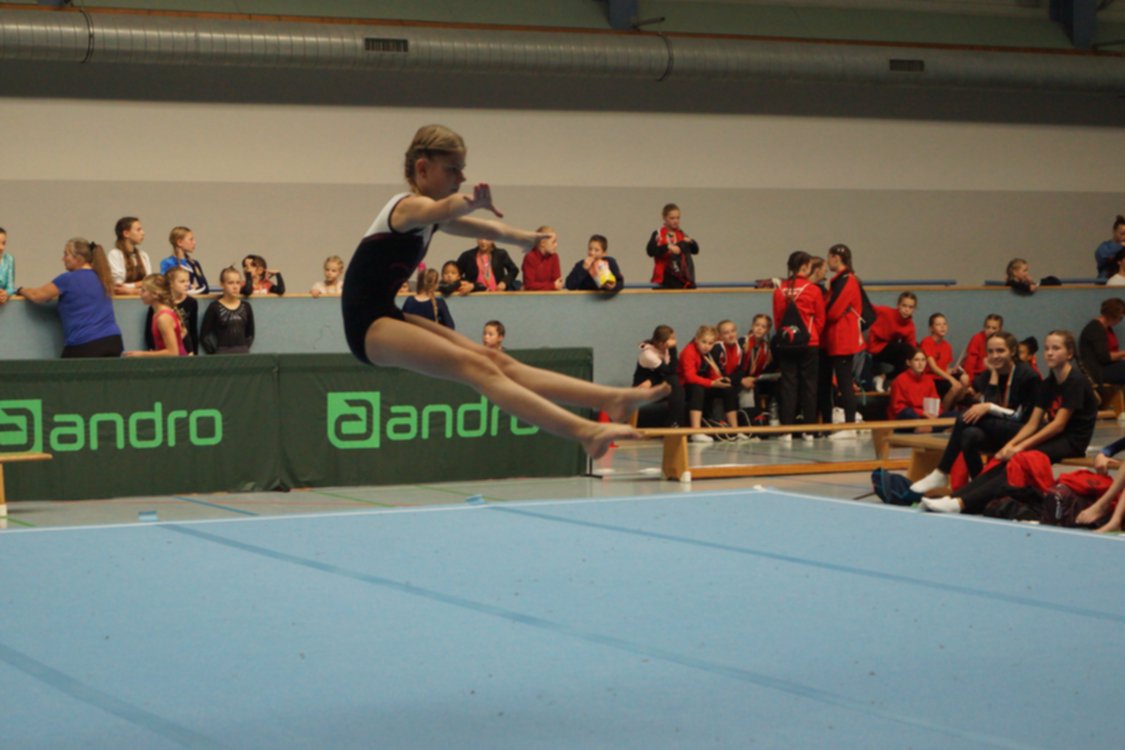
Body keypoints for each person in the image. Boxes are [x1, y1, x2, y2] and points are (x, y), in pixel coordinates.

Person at [340, 124, 662, 459]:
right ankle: (586, 431)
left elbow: (487, 228)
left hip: (386, 313)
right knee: (475, 368)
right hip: (366, 325)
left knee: (493, 359)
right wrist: (470, 202)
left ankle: (609, 398)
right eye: (452, 169)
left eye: (462, 169)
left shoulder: (430, 218)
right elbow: (445, 209)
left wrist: (523, 238)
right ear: (422, 169)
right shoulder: (407, 208)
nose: (461, 177)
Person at [922, 330, 1098, 514]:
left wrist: (1020, 447)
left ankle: (961, 502)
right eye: (1047, 348)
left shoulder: (1075, 381)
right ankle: (955, 499)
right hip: (1054, 436)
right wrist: (1010, 445)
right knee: (1006, 460)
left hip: (1072, 441)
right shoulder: (1048, 383)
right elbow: (1032, 424)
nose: (1049, 353)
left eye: (1056, 348)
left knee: (1019, 461)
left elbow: (1058, 425)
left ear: (1069, 354)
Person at [911, 331, 1042, 492]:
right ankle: (979, 484)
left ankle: (942, 471)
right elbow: (984, 408)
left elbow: (1022, 417)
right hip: (998, 429)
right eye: (990, 351)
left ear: (1013, 351)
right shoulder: (988, 375)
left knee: (963, 418)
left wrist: (989, 407)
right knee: (969, 435)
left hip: (1023, 432)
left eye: (1000, 351)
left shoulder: (1028, 376)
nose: (995, 356)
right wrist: (993, 377)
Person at [17, 237, 123, 357]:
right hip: (113, 341)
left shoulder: (68, 279)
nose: (63, 259)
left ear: (78, 258)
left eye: (66, 254)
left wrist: (19, 290)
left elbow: (37, 295)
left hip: (85, 344)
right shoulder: (103, 278)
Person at [772, 251, 825, 442]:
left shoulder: (779, 290)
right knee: (809, 386)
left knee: (788, 385)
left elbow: (778, 320)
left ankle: (786, 430)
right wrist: (810, 334)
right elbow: (820, 319)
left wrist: (789, 336)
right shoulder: (813, 290)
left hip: (787, 343)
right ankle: (808, 430)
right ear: (805, 266)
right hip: (809, 343)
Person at [819, 244, 865, 439]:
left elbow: (834, 311)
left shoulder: (848, 281)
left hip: (843, 339)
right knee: (835, 383)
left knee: (845, 384)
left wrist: (825, 308)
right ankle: (833, 424)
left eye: (829, 257)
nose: (827, 261)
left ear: (836, 258)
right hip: (835, 338)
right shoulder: (838, 281)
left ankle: (850, 426)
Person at [678, 325, 730, 444]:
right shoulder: (688, 352)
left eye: (710, 343)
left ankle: (734, 428)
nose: (707, 346)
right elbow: (690, 378)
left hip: (700, 383)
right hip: (684, 386)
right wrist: (712, 383)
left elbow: (711, 373)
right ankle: (696, 431)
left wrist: (720, 380)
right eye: (704, 342)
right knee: (698, 389)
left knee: (728, 389)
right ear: (697, 339)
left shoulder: (707, 354)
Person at [887, 348, 952, 432]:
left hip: (926, 417)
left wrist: (936, 414)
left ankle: (926, 429)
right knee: (908, 413)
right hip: (908, 416)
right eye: (916, 360)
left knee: (954, 415)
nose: (920, 364)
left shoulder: (929, 380)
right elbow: (897, 407)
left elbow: (935, 401)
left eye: (923, 360)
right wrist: (922, 413)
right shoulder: (900, 380)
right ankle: (929, 428)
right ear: (908, 362)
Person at [124, 274, 189, 358]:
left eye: (143, 290)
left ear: (155, 294)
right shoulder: (157, 314)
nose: (140, 292)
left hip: (178, 363)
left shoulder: (164, 318)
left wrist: (142, 354)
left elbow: (173, 352)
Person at [633, 324, 684, 428]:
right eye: (672, 339)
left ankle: (676, 423)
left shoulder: (664, 350)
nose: (674, 342)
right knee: (674, 381)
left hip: (657, 383)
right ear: (661, 343)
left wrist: (652, 380)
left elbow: (670, 371)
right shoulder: (648, 355)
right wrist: (673, 349)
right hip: (643, 388)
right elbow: (671, 371)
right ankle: (672, 423)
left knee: (683, 388)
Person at [867, 291, 918, 391]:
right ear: (898, 305)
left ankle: (885, 378)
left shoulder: (910, 326)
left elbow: (911, 348)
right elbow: (867, 308)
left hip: (887, 349)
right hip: (873, 346)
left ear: (914, 309)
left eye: (910, 307)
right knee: (907, 349)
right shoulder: (886, 312)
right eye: (904, 306)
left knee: (910, 356)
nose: (907, 310)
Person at [144, 267, 199, 355]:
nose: (187, 284)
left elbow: (192, 330)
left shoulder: (191, 302)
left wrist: (194, 352)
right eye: (182, 281)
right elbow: (149, 332)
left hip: (184, 349)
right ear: (171, 284)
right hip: (163, 350)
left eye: (188, 281)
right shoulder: (159, 305)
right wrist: (151, 350)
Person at [200, 267, 255, 354]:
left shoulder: (246, 306)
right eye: (230, 283)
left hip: (243, 353)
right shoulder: (214, 307)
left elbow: (250, 335)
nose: (235, 286)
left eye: (238, 283)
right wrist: (214, 355)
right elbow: (204, 336)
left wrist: (244, 349)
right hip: (222, 353)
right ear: (222, 284)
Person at [647, 203, 698, 289]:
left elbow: (695, 250)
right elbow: (650, 251)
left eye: (678, 218)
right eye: (672, 218)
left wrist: (691, 242)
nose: (676, 221)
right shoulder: (658, 234)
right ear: (664, 218)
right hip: (662, 279)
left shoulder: (681, 234)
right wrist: (667, 247)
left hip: (679, 279)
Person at [920, 313, 963, 410]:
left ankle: (954, 408)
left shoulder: (947, 346)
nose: (942, 327)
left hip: (942, 378)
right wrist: (951, 379)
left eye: (944, 324)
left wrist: (952, 371)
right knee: (954, 386)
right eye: (938, 324)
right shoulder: (927, 342)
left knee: (964, 379)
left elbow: (945, 369)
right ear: (931, 328)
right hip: (930, 378)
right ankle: (943, 412)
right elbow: (933, 367)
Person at [1078, 297, 1125, 386]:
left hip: (1105, 367)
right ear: (1113, 316)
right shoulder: (1095, 329)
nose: (1120, 321)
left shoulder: (1106, 328)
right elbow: (1105, 357)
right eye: (1120, 318)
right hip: (1097, 371)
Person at [108, 216, 152, 295]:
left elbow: (149, 283)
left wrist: (130, 289)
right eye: (138, 230)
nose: (143, 233)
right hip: (122, 300)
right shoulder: (115, 254)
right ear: (126, 233)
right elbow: (118, 286)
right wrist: (138, 286)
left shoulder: (143, 255)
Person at [957, 314, 1004, 388]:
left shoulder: (1003, 341)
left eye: (994, 328)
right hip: (977, 375)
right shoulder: (977, 339)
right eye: (988, 327)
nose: (990, 330)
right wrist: (969, 384)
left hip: (996, 374)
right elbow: (970, 363)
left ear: (1000, 329)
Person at [159, 226, 209, 294]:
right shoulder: (167, 263)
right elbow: (165, 287)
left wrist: (196, 288)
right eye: (191, 239)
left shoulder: (194, 263)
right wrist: (190, 287)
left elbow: (205, 288)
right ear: (179, 242)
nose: (194, 242)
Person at [1094, 214, 1125, 279]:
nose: (1124, 237)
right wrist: (1120, 246)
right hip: (1106, 280)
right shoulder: (1105, 247)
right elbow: (1102, 255)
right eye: (1122, 234)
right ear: (1114, 232)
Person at [0, 226, 14, 305]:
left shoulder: (9, 259)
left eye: (3, 243)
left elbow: (10, 286)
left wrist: (6, 293)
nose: (1, 247)